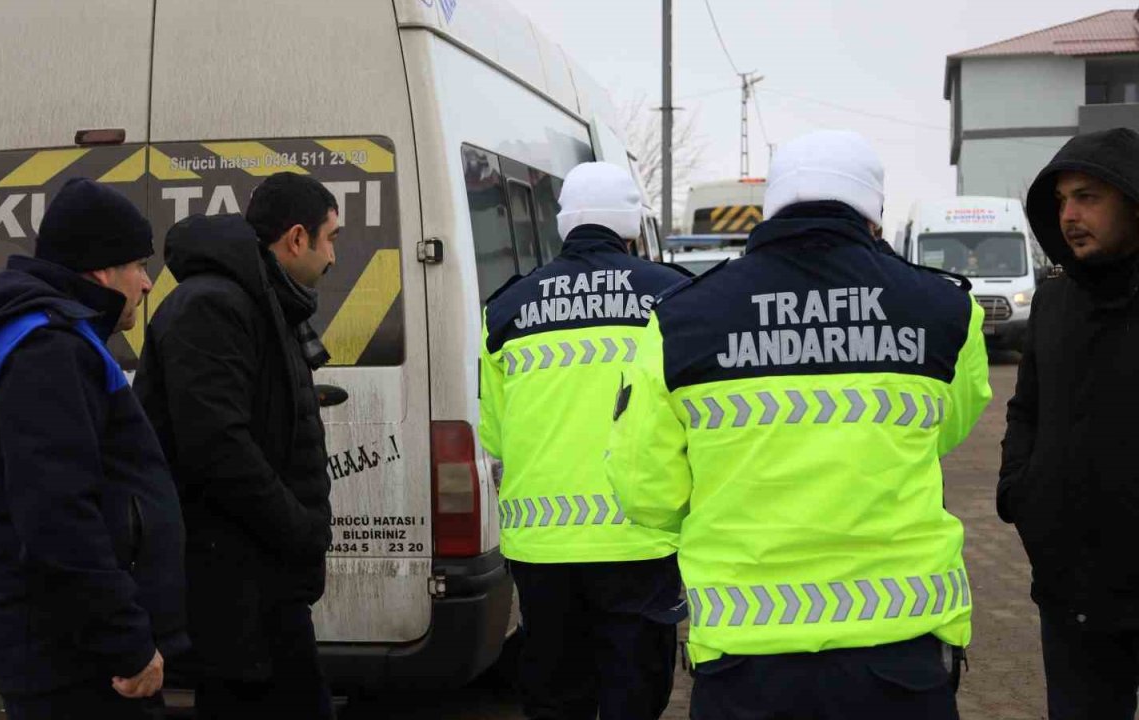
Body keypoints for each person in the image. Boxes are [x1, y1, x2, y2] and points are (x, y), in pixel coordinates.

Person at [607, 130, 992, 720]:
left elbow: (646, 493)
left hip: (746, 652)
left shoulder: (682, 319)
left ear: (771, 209)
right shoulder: (945, 309)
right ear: (874, 214)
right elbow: (947, 429)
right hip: (901, 645)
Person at [0, 178, 187, 720]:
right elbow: (58, 518)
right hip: (77, 662)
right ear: (101, 269)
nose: (148, 283)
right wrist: (127, 643)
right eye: (138, 265)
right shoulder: (48, 349)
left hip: (66, 650)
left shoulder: (49, 337)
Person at [479, 162, 688, 720]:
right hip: (639, 541)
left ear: (563, 225)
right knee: (634, 695)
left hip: (542, 549)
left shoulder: (505, 309)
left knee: (555, 696)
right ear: (631, 227)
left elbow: (493, 433)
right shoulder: (677, 299)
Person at [135, 172, 338, 719]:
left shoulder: (263, 302)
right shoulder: (213, 305)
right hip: (235, 586)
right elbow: (218, 449)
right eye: (331, 238)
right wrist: (300, 528)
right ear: (297, 239)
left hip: (261, 583)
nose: (334, 257)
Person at [999, 127, 1139, 719]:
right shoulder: (1055, 302)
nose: (1070, 215)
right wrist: (1020, 488)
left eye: (1088, 197)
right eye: (1060, 202)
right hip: (1072, 592)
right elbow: (1025, 405)